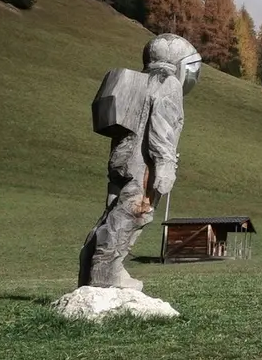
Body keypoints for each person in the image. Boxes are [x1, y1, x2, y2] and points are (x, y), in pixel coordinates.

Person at [77, 34, 202, 291]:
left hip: (121, 158)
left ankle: (91, 264)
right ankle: (105, 272)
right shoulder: (169, 84)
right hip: (142, 162)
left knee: (112, 212)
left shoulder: (138, 81)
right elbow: (162, 127)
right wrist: (165, 166)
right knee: (136, 211)